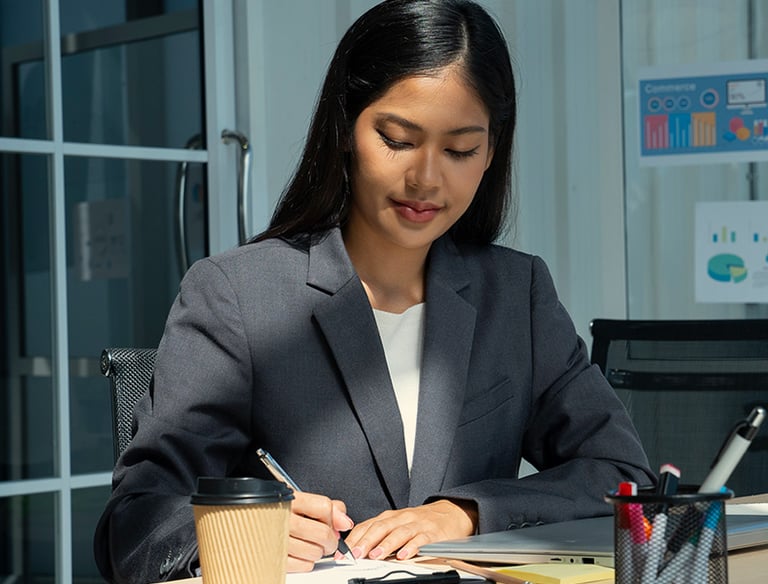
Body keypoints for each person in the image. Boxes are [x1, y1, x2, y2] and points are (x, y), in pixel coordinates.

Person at [94, 1, 654, 582]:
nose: (426, 179)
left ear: (491, 152)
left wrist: (465, 512)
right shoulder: (237, 295)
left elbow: (618, 471)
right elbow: (132, 528)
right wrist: (243, 531)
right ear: (345, 129)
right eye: (397, 139)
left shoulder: (516, 293)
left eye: (461, 150)